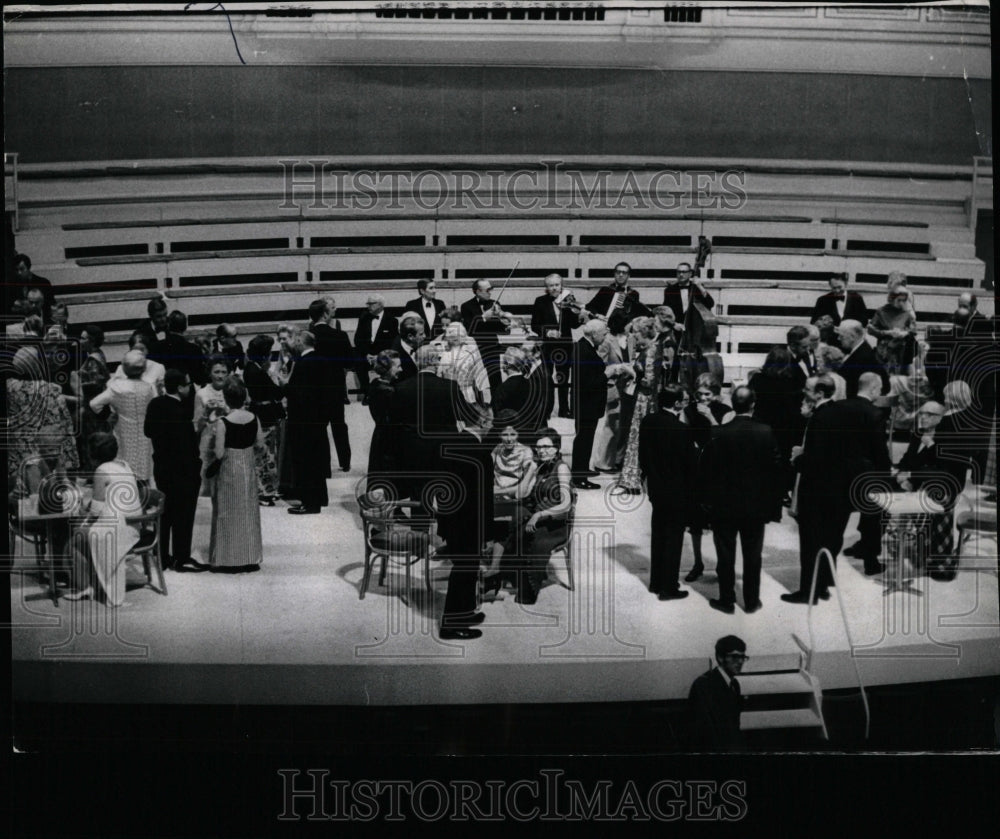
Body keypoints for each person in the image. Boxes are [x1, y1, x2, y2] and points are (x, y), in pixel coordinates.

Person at [701, 387, 783, 613]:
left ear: (733, 405)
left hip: (724, 505)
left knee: (725, 555)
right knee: (753, 556)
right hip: (756, 506)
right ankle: (751, 600)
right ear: (753, 405)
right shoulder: (765, 431)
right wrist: (773, 507)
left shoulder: (719, 432)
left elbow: (708, 472)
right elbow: (776, 471)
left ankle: (727, 600)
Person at [484, 428, 572, 605]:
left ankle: (528, 586)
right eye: (539, 447)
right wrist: (531, 470)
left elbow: (566, 505)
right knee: (514, 521)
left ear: (557, 448)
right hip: (538, 517)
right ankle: (498, 572)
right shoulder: (540, 466)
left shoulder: (561, 468)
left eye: (547, 447)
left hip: (555, 524)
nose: (542, 451)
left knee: (533, 538)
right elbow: (523, 494)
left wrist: (539, 514)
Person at [64, 433, 144, 607]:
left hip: (119, 527)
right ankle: (91, 582)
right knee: (82, 534)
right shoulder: (124, 465)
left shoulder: (101, 471)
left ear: (93, 453)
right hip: (133, 523)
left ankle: (84, 586)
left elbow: (97, 510)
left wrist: (83, 503)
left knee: (73, 540)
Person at [437, 406, 496, 639]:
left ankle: (466, 612)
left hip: (452, 521)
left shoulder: (453, 442)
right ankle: (451, 625)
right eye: (490, 421)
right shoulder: (480, 453)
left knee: (466, 570)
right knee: (464, 571)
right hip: (469, 523)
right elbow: (484, 499)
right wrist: (487, 532)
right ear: (482, 422)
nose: (492, 426)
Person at [893, 400, 969, 577]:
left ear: (941, 418)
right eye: (921, 413)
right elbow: (908, 458)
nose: (923, 417)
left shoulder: (945, 439)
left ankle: (936, 556)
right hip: (918, 482)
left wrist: (911, 476)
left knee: (935, 500)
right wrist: (901, 473)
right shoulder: (917, 433)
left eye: (929, 414)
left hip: (940, 485)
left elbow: (940, 471)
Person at [638, 385, 699, 601]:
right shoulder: (681, 431)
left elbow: (643, 456)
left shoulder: (648, 422)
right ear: (677, 403)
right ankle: (668, 588)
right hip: (677, 492)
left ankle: (656, 582)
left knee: (659, 536)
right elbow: (690, 466)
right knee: (673, 540)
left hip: (656, 488)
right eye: (684, 399)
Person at [144, 368, 205, 573]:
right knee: (184, 515)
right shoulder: (180, 411)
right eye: (187, 384)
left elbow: (148, 431)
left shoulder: (155, 404)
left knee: (166, 512)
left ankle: (162, 557)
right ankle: (182, 556)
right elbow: (188, 447)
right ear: (179, 387)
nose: (190, 387)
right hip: (183, 471)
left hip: (161, 466)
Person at [207, 376, 264, 572]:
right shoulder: (253, 418)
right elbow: (260, 444)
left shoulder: (223, 422)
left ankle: (227, 558)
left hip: (229, 468)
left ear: (225, 397)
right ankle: (249, 556)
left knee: (227, 510)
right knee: (248, 511)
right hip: (247, 466)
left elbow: (219, 452)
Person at [839, 372, 893, 576]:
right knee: (877, 513)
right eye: (879, 389)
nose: (880, 393)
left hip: (842, 472)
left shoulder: (842, 407)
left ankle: (861, 545)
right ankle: (871, 560)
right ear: (872, 389)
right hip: (865, 474)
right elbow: (878, 449)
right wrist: (887, 473)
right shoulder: (875, 413)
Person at [6, 347, 80, 484]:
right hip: (46, 448)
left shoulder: (10, 387)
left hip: (19, 449)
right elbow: (65, 423)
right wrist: (71, 460)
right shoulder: (51, 389)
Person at [89, 349, 155, 486]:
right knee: (144, 470)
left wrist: (110, 415)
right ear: (143, 369)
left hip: (123, 431)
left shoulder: (116, 387)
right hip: (145, 433)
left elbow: (94, 404)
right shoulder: (149, 387)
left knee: (124, 469)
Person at [285, 330, 333, 514]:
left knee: (306, 463)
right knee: (317, 461)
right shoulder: (323, 360)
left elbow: (300, 395)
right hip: (318, 421)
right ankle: (320, 497)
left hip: (304, 422)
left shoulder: (304, 364)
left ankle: (310, 503)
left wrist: (286, 388)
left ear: (299, 341)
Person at [616, 317, 665, 495]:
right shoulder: (650, 347)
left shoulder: (651, 350)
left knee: (638, 438)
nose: (634, 337)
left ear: (644, 332)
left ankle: (633, 481)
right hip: (644, 399)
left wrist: (632, 373)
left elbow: (649, 382)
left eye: (636, 333)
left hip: (645, 401)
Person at [307, 298, 353, 471]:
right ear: (325, 314)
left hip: (314, 388)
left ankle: (323, 465)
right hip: (335, 387)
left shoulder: (307, 338)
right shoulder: (340, 335)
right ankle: (345, 462)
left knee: (319, 427)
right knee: (339, 425)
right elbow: (350, 361)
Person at [530, 273, 582, 419]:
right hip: (547, 346)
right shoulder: (540, 301)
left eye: (557, 285)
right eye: (551, 285)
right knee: (547, 379)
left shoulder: (568, 301)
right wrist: (548, 332)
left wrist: (577, 313)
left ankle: (564, 409)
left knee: (563, 378)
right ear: (546, 287)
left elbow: (575, 324)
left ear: (561, 286)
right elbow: (535, 325)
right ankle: (546, 410)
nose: (554, 288)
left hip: (565, 346)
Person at [687, 635, 747, 752]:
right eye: (735, 656)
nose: (740, 661)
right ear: (720, 657)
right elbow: (704, 732)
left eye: (742, 657)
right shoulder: (704, 685)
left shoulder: (735, 685)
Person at [244, 334, 284, 504]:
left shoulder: (251, 368)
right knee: (265, 454)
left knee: (266, 454)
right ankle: (264, 490)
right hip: (264, 414)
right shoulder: (258, 372)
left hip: (260, 412)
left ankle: (269, 488)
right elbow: (276, 392)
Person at [570, 318, 611, 489]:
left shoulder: (584, 346)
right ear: (594, 334)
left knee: (586, 438)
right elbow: (587, 382)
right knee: (583, 439)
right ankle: (579, 477)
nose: (605, 337)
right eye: (603, 334)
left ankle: (582, 469)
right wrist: (607, 375)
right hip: (586, 404)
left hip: (587, 404)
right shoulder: (584, 351)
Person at [72, 324, 112, 472]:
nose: (80, 341)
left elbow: (95, 383)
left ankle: (94, 470)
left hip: (92, 407)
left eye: (83, 339)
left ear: (91, 340)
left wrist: (78, 378)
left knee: (91, 439)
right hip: (94, 406)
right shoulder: (98, 354)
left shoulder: (93, 360)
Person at [460, 279, 510, 393]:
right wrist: (483, 317)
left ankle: (497, 406)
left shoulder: (494, 304)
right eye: (487, 290)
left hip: (491, 346)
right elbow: (469, 329)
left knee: (495, 378)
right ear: (478, 291)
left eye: (491, 289)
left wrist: (501, 317)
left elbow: (501, 329)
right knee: (476, 379)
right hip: (475, 347)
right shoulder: (466, 306)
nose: (490, 292)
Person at [192, 356, 231, 496]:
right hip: (208, 439)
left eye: (224, 372)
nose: (220, 376)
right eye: (217, 372)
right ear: (210, 373)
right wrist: (206, 413)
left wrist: (226, 409)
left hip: (228, 438)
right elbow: (196, 426)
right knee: (206, 480)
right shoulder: (201, 393)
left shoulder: (232, 390)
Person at [490, 410, 538, 519]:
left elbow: (524, 489)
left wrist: (496, 491)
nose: (509, 439)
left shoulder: (526, 452)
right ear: (499, 434)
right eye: (505, 435)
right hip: (496, 498)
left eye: (513, 434)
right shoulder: (497, 449)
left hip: (514, 500)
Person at [354, 293, 399, 402]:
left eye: (371, 304)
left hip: (383, 353)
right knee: (358, 360)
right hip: (367, 353)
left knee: (390, 360)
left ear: (380, 305)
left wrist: (379, 355)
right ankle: (367, 393)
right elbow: (358, 339)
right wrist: (367, 354)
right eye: (367, 304)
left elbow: (392, 342)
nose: (368, 306)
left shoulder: (392, 320)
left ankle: (387, 392)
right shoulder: (364, 318)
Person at [434, 321, 490, 407]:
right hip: (448, 394)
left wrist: (487, 398)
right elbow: (439, 375)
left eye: (456, 338)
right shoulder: (444, 352)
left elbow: (480, 371)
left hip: (468, 395)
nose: (453, 340)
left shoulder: (470, 351)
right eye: (451, 338)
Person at [366, 349, 401, 481]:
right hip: (389, 437)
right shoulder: (388, 391)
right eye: (397, 366)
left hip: (381, 434)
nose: (401, 369)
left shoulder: (376, 384)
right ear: (386, 369)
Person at [868, 286, 918, 375]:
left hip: (902, 349)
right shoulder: (882, 311)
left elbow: (914, 330)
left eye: (904, 300)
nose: (902, 303)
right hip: (885, 349)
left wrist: (905, 333)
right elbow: (871, 329)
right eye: (899, 300)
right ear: (891, 298)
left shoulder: (907, 312)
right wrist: (887, 333)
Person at [837, 319, 889, 398]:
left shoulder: (862, 358)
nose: (838, 339)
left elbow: (850, 389)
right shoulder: (864, 350)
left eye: (841, 336)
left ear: (852, 337)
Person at [155, 311, 208, 387]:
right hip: (188, 390)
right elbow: (200, 378)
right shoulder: (194, 349)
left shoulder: (158, 347)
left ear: (168, 325)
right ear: (185, 327)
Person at [586, 261, 650, 325]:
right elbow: (589, 307)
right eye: (618, 272)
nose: (621, 275)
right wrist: (597, 315)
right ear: (614, 274)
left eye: (624, 273)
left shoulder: (634, 294)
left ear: (628, 276)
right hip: (604, 327)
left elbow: (634, 314)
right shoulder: (605, 290)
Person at [491, 346, 535, 435]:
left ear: (507, 364)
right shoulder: (532, 384)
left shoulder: (503, 388)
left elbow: (497, 416)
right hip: (530, 433)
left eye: (503, 362)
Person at [13, 253, 55, 321]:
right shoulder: (13, 286)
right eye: (16, 270)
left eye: (22, 269)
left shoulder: (43, 283)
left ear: (29, 267)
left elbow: (51, 306)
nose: (19, 273)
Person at [391, 314, 426, 382]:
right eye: (421, 334)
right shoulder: (395, 355)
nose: (425, 336)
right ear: (410, 337)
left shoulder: (419, 343)